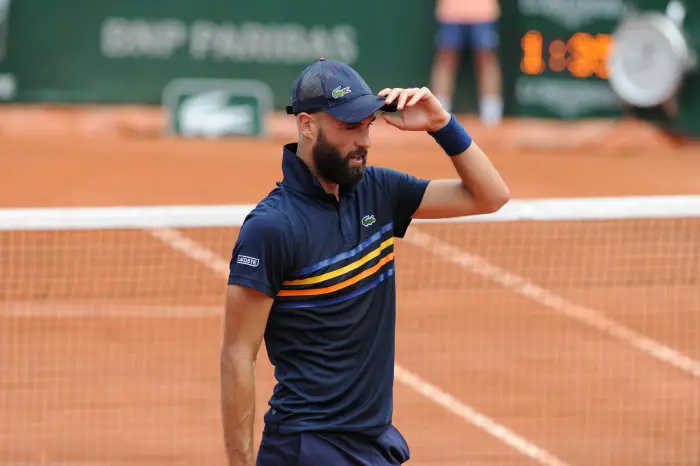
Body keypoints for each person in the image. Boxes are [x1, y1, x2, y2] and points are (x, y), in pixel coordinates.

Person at [221, 58, 509, 466]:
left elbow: (490, 196)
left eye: (368, 125)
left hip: (374, 442)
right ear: (307, 125)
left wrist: (441, 123)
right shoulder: (272, 228)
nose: (365, 141)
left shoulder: (377, 191)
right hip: (309, 445)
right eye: (350, 127)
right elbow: (237, 354)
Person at [429, 0, 504, 127]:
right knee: (446, 59)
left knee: (487, 60)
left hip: (484, 12)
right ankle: (438, 114)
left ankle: (492, 115)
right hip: (449, 12)